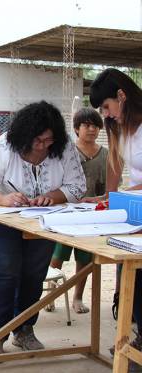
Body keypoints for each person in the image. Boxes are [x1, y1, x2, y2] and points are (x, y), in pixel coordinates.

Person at [0, 101, 86, 354]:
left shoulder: (64, 148)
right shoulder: (6, 145)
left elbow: (77, 186)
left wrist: (54, 195)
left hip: (44, 222)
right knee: (4, 274)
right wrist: (4, 199)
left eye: (47, 140)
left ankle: (24, 328)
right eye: (37, 141)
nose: (42, 146)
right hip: (4, 222)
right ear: (24, 137)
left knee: (33, 275)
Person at [89, 68, 142, 362]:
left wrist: (127, 194)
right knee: (128, 273)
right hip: (136, 212)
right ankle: (136, 339)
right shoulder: (121, 127)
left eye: (107, 107)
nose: (106, 115)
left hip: (136, 205)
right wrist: (109, 196)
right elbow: (115, 162)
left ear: (122, 96)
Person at [47, 108, 107, 314]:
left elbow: (108, 190)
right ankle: (51, 295)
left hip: (92, 217)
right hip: (66, 214)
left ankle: (77, 298)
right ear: (76, 128)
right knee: (57, 256)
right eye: (86, 125)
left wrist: (98, 200)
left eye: (95, 125)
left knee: (85, 259)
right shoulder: (66, 153)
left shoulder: (105, 155)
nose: (91, 129)